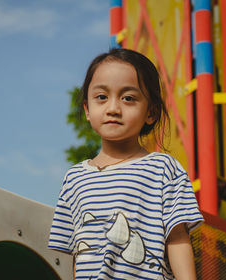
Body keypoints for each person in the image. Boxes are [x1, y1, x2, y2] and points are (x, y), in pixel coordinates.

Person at [48, 48, 203, 280]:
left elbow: (178, 239)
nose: (113, 108)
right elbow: (76, 254)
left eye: (128, 98)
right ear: (87, 110)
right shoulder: (74, 178)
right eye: (101, 97)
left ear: (150, 112)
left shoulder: (162, 169)